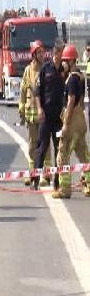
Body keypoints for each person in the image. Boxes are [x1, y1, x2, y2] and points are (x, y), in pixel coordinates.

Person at [52, 45, 90, 198]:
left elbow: (71, 101)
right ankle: (88, 183)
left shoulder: (73, 79)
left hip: (72, 122)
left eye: (65, 61)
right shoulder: (79, 76)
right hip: (80, 121)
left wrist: (66, 125)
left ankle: (65, 189)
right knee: (84, 155)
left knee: (63, 154)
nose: (63, 64)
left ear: (71, 61)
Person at [32, 39, 66, 190]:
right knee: (42, 147)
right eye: (61, 52)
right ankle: (35, 179)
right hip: (46, 115)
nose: (62, 55)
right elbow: (37, 91)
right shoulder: (46, 68)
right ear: (56, 52)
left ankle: (57, 181)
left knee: (59, 147)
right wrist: (39, 109)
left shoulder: (64, 70)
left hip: (58, 117)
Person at [18, 40, 51, 186]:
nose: (42, 55)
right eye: (39, 52)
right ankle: (33, 173)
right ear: (33, 54)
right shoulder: (28, 71)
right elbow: (23, 91)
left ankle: (46, 174)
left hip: (43, 114)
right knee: (32, 145)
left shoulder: (47, 69)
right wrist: (21, 107)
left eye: (42, 52)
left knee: (45, 144)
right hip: (31, 114)